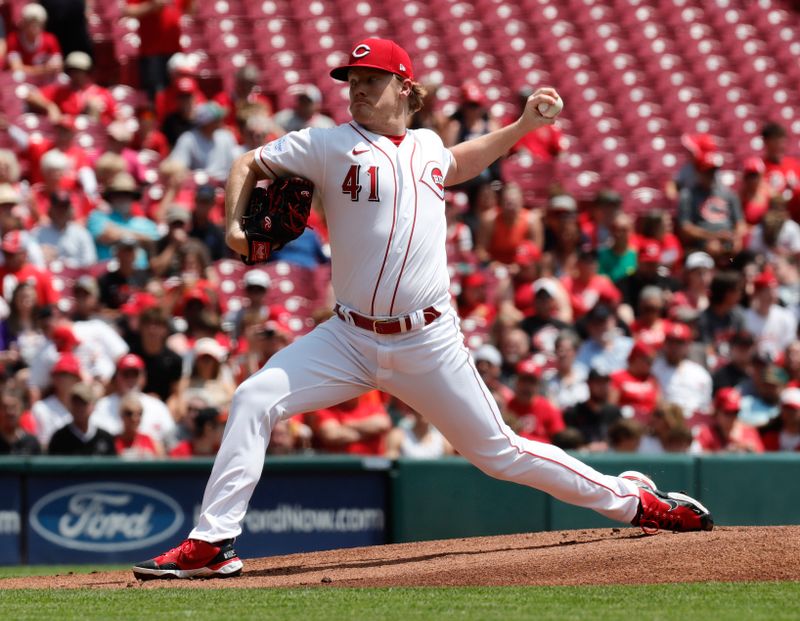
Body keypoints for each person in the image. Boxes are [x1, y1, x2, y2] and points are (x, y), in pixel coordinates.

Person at [133, 38, 713, 580]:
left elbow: (459, 162)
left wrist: (521, 126)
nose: (357, 87)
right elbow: (247, 166)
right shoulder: (329, 142)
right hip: (348, 337)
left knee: (500, 454)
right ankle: (213, 544)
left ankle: (635, 500)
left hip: (427, 342)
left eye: (371, 78)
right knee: (254, 397)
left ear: (405, 88)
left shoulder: (430, 148)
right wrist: (235, 227)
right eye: (351, 78)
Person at [122, 0, 194, 100]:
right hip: (152, 52)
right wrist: (151, 6)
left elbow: (191, 11)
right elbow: (128, 11)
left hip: (175, 49)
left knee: (177, 93)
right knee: (156, 94)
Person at [651, 322, 712, 421]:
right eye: (671, 342)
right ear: (665, 343)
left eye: (679, 343)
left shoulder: (699, 373)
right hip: (662, 421)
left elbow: (705, 406)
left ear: (687, 345)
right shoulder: (653, 368)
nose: (674, 347)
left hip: (691, 423)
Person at [48, 382, 117, 456]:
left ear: (93, 406)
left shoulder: (105, 438)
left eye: (83, 403)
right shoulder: (59, 439)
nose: (79, 408)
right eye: (75, 403)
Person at [693, 388, 763, 453]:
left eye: (735, 412)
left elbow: (761, 459)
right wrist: (728, 451)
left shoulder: (749, 432)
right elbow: (698, 457)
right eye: (728, 412)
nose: (732, 417)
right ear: (717, 412)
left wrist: (751, 450)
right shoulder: (706, 433)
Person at [0, 385, 41, 455]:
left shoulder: (32, 442)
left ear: (22, 410)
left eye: (14, 407)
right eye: (5, 407)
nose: (10, 412)